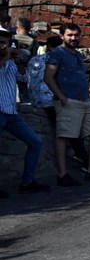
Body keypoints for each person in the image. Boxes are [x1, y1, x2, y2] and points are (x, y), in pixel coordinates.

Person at [30, 35, 90, 175]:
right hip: (54, 100)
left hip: (42, 100)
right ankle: (81, 164)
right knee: (69, 134)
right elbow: (47, 79)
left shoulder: (35, 59)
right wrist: (62, 98)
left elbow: (28, 80)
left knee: (85, 131)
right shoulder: (55, 58)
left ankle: (89, 165)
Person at [0, 27, 47, 194]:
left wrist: (19, 61)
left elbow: (24, 78)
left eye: (6, 42)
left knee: (35, 142)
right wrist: (6, 57)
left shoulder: (11, 61)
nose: (4, 45)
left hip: (11, 112)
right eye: (1, 42)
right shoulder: (5, 59)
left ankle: (27, 182)